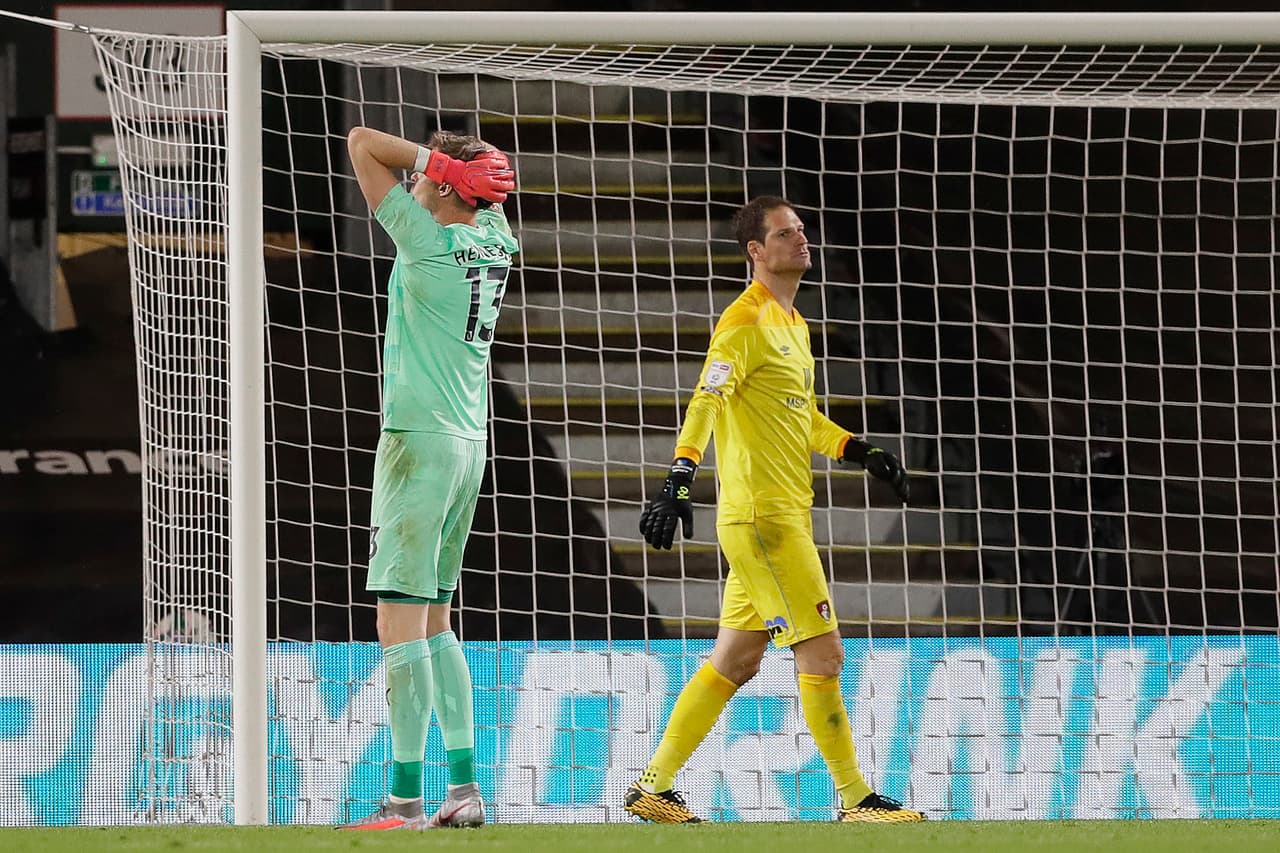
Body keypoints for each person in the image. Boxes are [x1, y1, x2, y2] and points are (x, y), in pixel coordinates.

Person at [625, 196, 924, 824]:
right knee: (823, 653)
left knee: (735, 659)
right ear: (756, 252)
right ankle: (855, 798)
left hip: (775, 516)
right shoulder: (743, 321)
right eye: (785, 234)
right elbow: (708, 398)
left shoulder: (794, 324)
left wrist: (857, 449)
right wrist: (680, 475)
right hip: (764, 520)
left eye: (803, 230)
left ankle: (653, 786)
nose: (801, 240)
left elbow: (799, 415)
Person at [339, 125, 517, 831]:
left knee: (397, 622)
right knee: (438, 619)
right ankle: (465, 790)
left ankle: (405, 799)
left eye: (427, 177)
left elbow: (359, 142)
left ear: (445, 184)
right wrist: (460, 172)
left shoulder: (429, 243)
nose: (413, 183)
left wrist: (432, 160)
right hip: (469, 444)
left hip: (417, 443)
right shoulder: (499, 240)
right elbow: (490, 191)